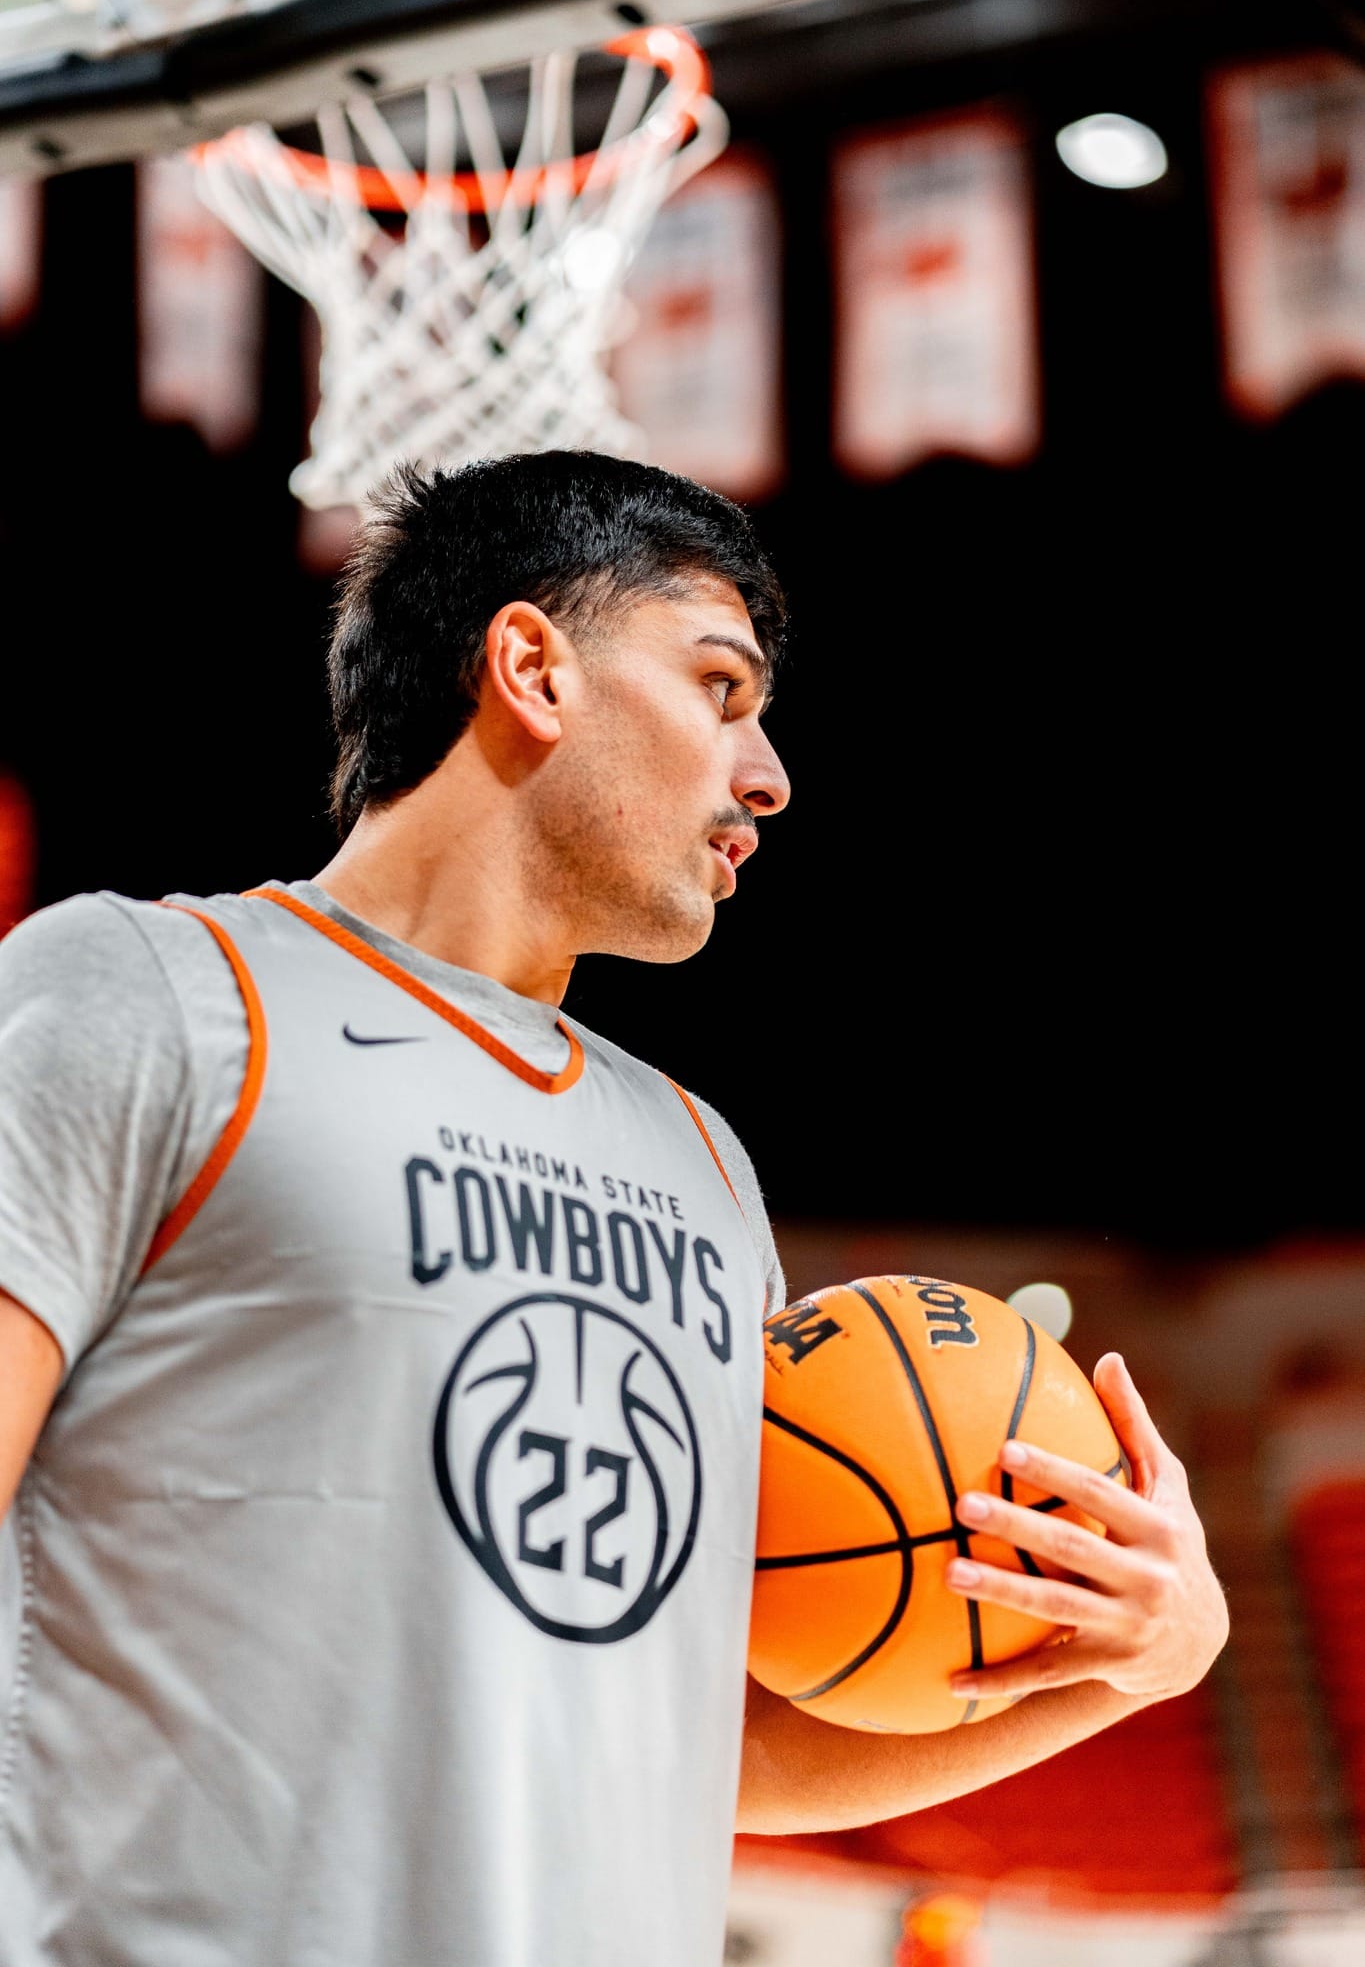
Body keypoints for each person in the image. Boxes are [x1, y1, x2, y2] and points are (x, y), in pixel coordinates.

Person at [0, 453, 1227, 1966]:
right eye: (721, 689)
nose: (768, 777)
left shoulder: (700, 1165)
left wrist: (1135, 1666)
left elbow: (709, 1743)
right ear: (532, 669)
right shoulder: (146, 996)